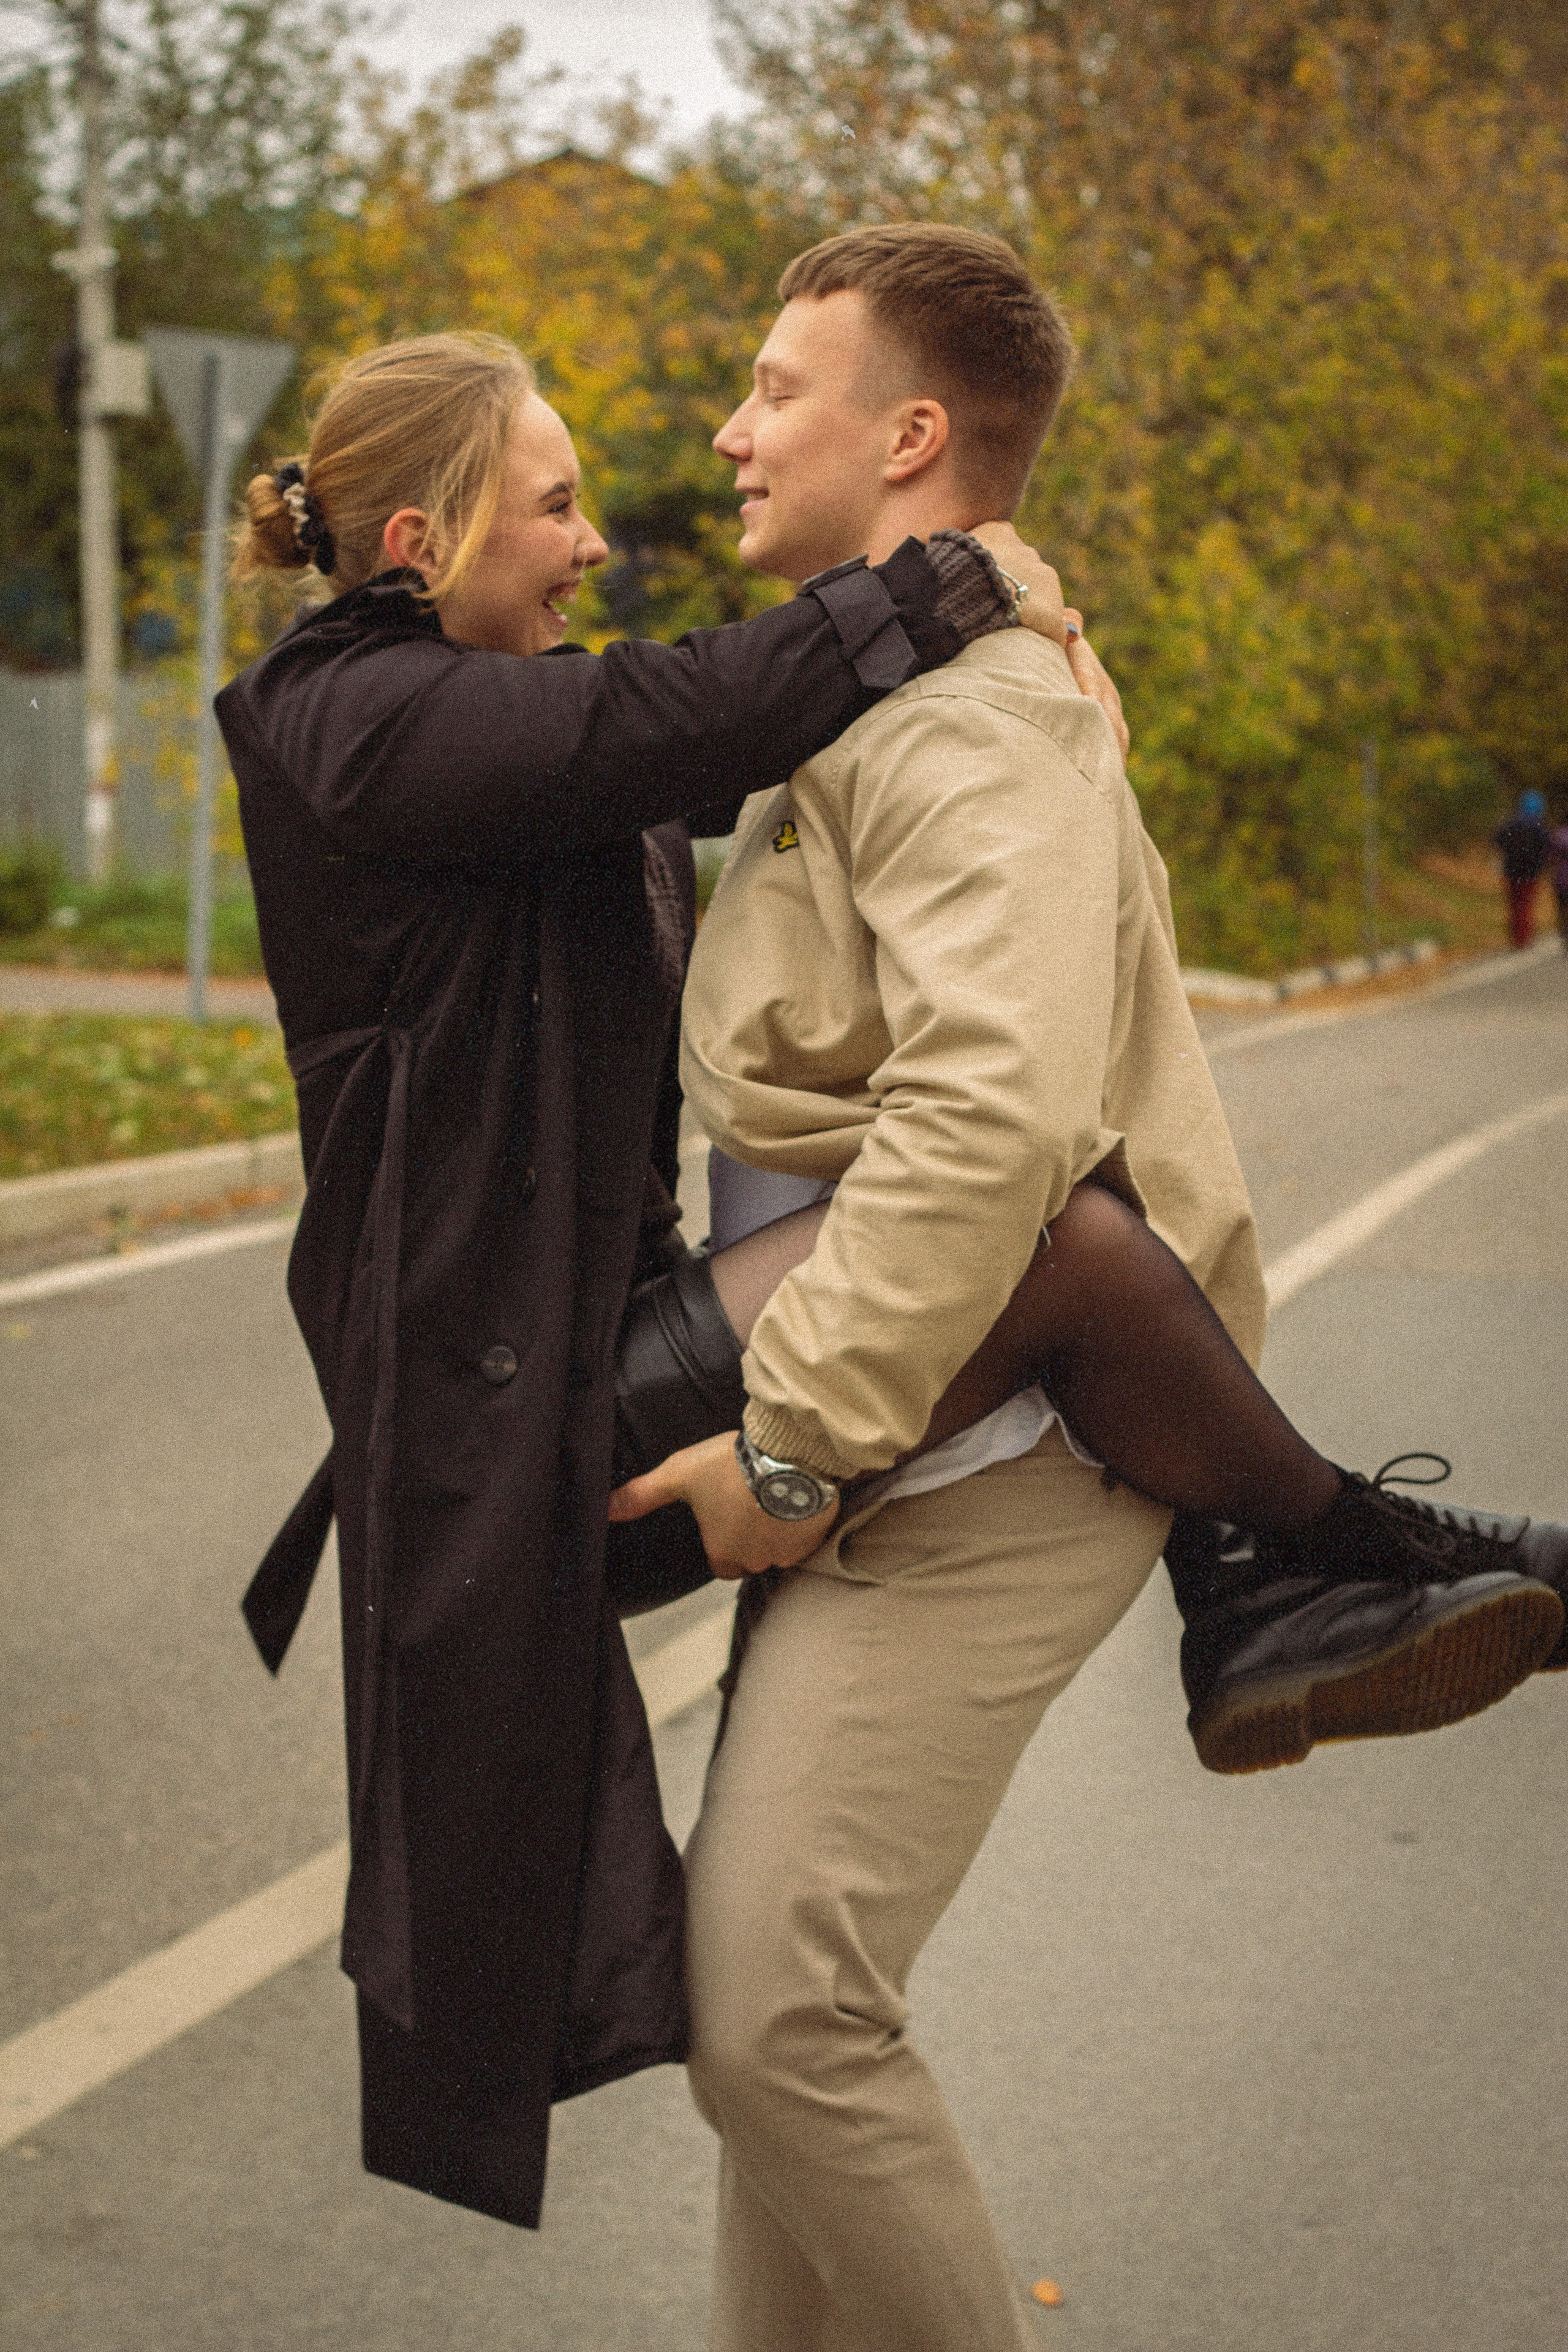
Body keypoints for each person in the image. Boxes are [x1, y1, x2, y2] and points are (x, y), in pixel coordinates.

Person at [603, 227, 1566, 2350]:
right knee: (779, 2032)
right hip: (904, 1411)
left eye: (776, 388)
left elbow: (996, 1110)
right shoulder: (897, 679)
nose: (732, 429)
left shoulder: (963, 721)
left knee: (780, 2024)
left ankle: (1323, 1548)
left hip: (977, 1442)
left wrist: (796, 1438)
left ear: (910, 434)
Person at [217, 327, 1072, 2231]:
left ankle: (1282, 1559)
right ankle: (1302, 1552)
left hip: (574, 1363)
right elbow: (670, 718)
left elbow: (712, 766)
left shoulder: (480, 746)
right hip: (514, 1424)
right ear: (423, 543)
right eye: (558, 504)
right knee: (1061, 1240)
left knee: (1055, 1239)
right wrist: (956, 575)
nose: (595, 540)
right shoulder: (354, 718)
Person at [1493, 787, 1550, 946]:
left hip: (1512, 869)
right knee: (1526, 903)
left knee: (1514, 903)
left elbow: (1498, 840)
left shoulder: (1510, 824)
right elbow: (1546, 847)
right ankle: (1524, 936)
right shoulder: (1539, 826)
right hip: (1531, 871)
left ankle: (1517, 936)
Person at [1549, 804, 1568, 951]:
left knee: (1562, 908)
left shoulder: (1558, 836)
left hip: (1561, 879)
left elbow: (1551, 858)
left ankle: (1564, 931)